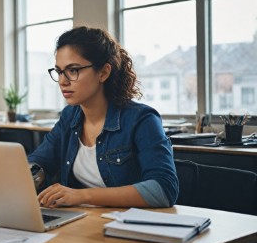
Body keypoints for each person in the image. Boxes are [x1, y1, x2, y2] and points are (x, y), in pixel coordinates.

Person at [28, 26, 178, 208]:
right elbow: (40, 162)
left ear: (104, 72)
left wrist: (83, 196)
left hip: (127, 226)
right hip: (83, 224)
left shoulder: (142, 119)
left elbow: (163, 189)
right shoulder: (70, 116)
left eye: (73, 70)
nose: (62, 81)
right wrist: (26, 175)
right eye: (59, 71)